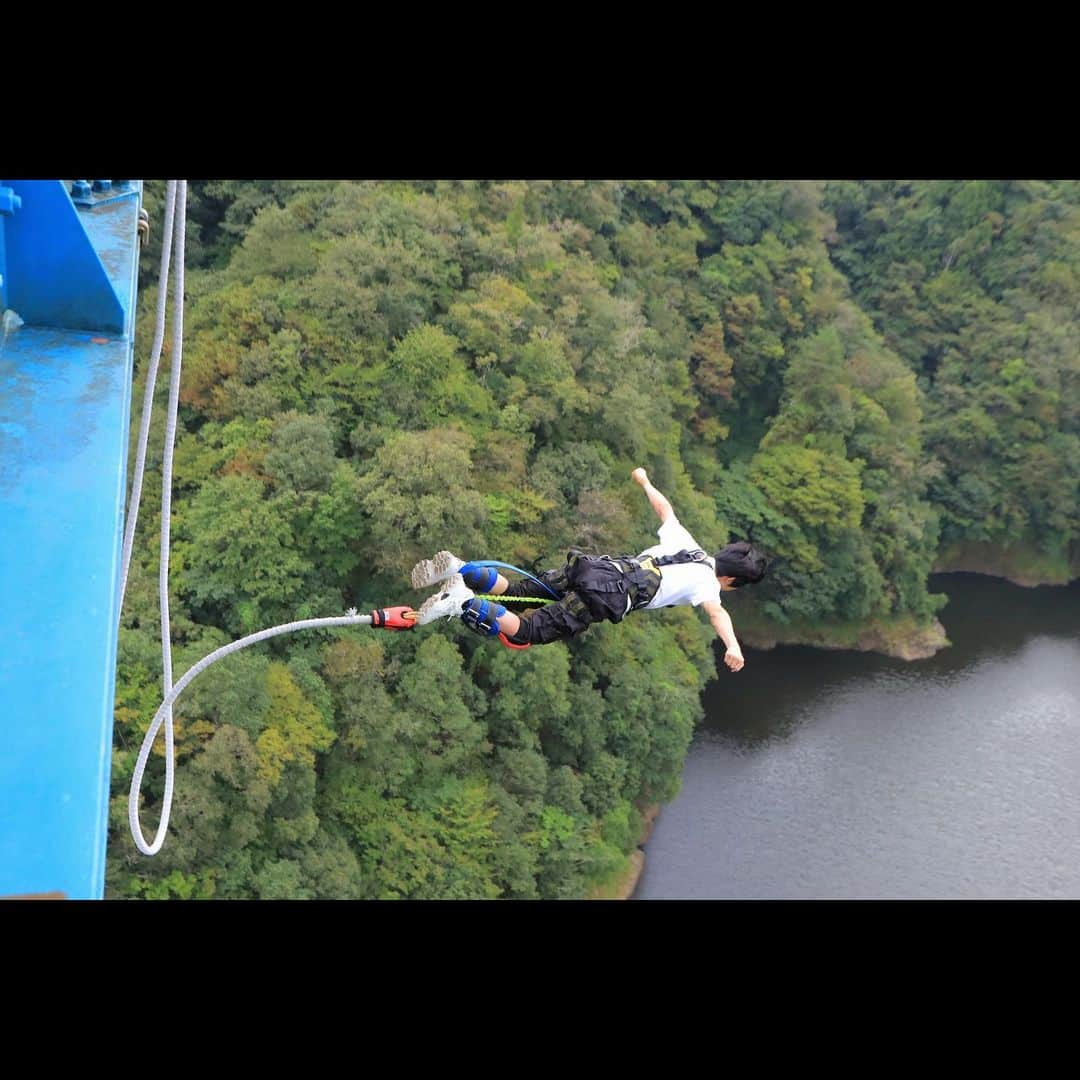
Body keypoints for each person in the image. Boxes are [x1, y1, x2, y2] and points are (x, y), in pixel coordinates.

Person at [413, 467, 768, 671]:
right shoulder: (708, 585)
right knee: (527, 631)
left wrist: (644, 481)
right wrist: (733, 646)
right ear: (732, 579)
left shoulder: (688, 545)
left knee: (520, 593)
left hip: (593, 569)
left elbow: (665, 510)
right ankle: (460, 601)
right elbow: (717, 614)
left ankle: (461, 568)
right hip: (603, 596)